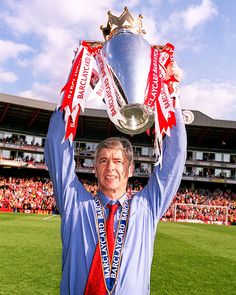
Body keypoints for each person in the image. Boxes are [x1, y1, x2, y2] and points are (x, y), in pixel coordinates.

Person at [44, 69, 187, 295]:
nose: (110, 167)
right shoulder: (74, 204)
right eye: (103, 160)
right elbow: (56, 147)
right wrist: (74, 88)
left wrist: (171, 96)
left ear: (130, 169)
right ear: (94, 168)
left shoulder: (147, 207)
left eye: (118, 161)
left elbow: (175, 157)